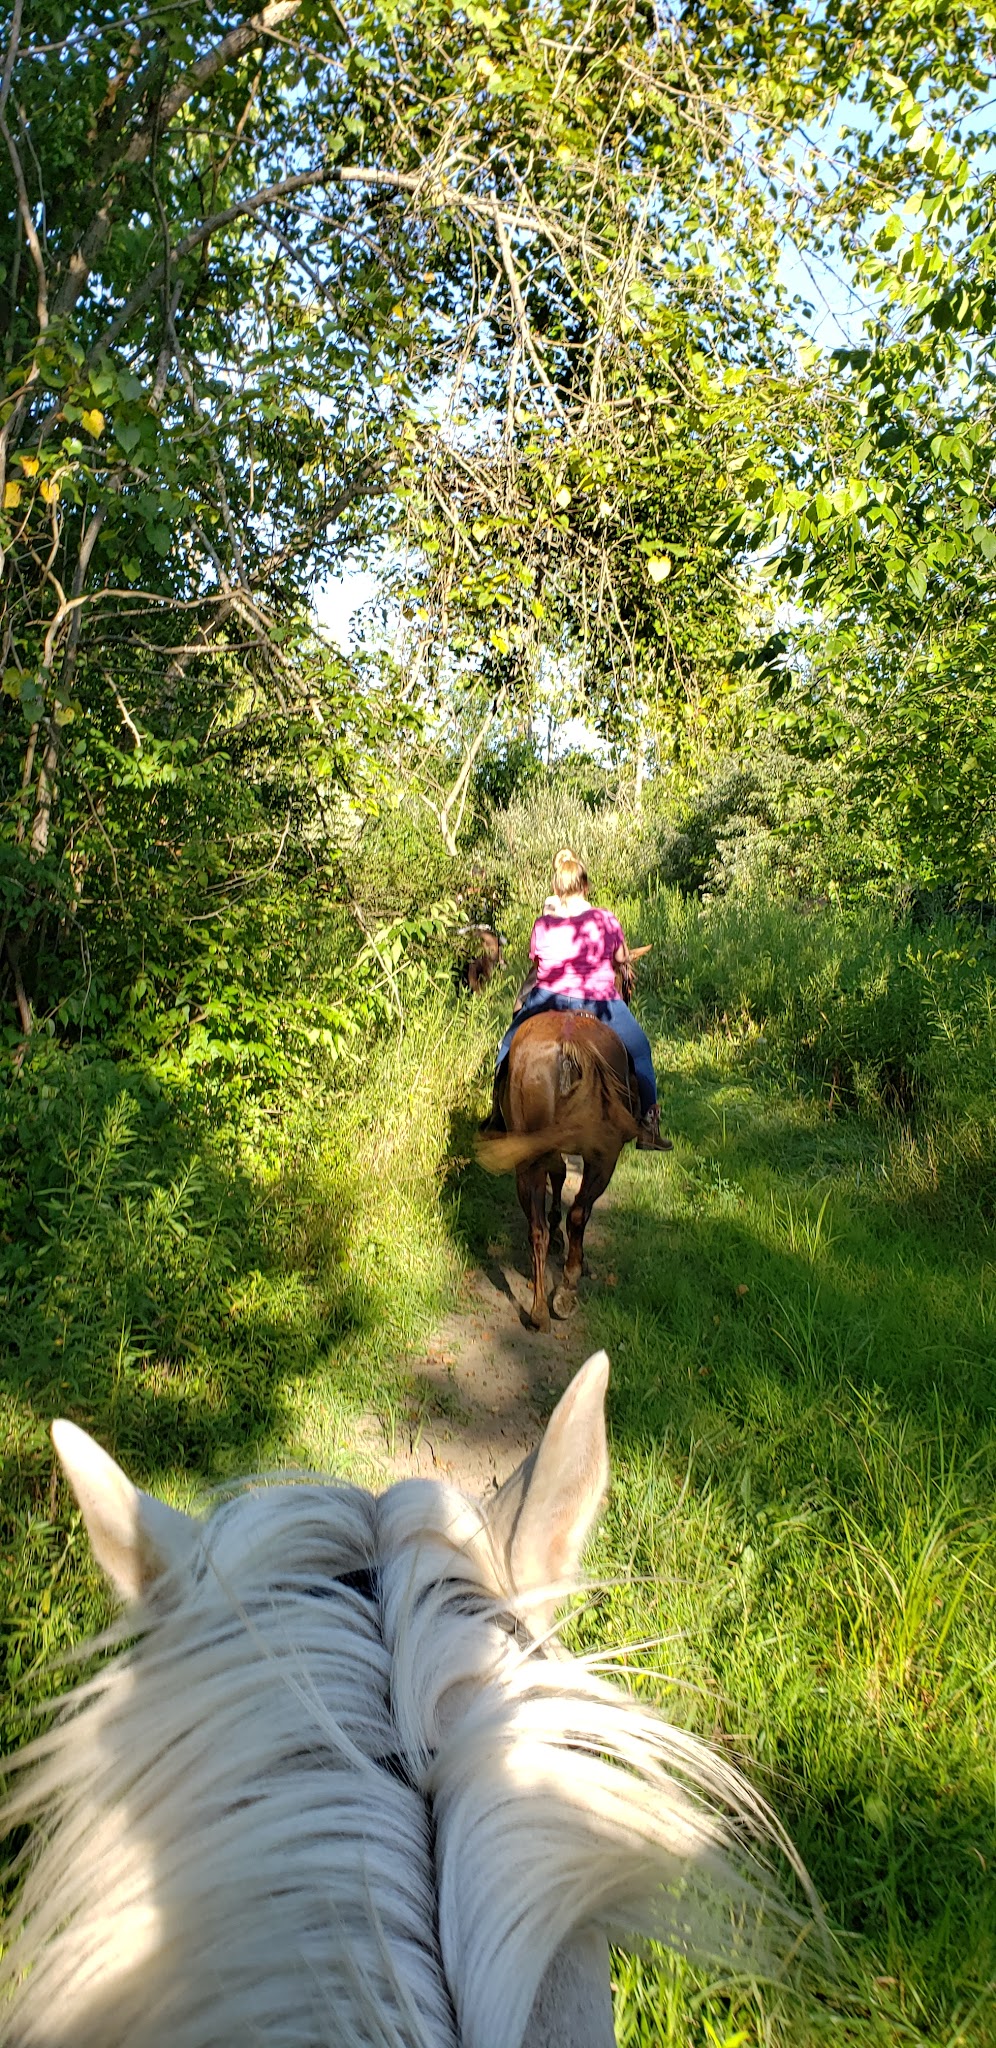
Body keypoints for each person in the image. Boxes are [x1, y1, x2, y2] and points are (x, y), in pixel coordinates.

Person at [486, 848, 669, 1151]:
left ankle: (498, 1117)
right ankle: (649, 1126)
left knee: (507, 1047)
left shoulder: (543, 925)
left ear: (557, 890)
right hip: (599, 1000)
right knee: (640, 1051)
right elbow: (622, 958)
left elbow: (537, 964)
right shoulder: (607, 919)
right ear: (586, 886)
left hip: (548, 997)